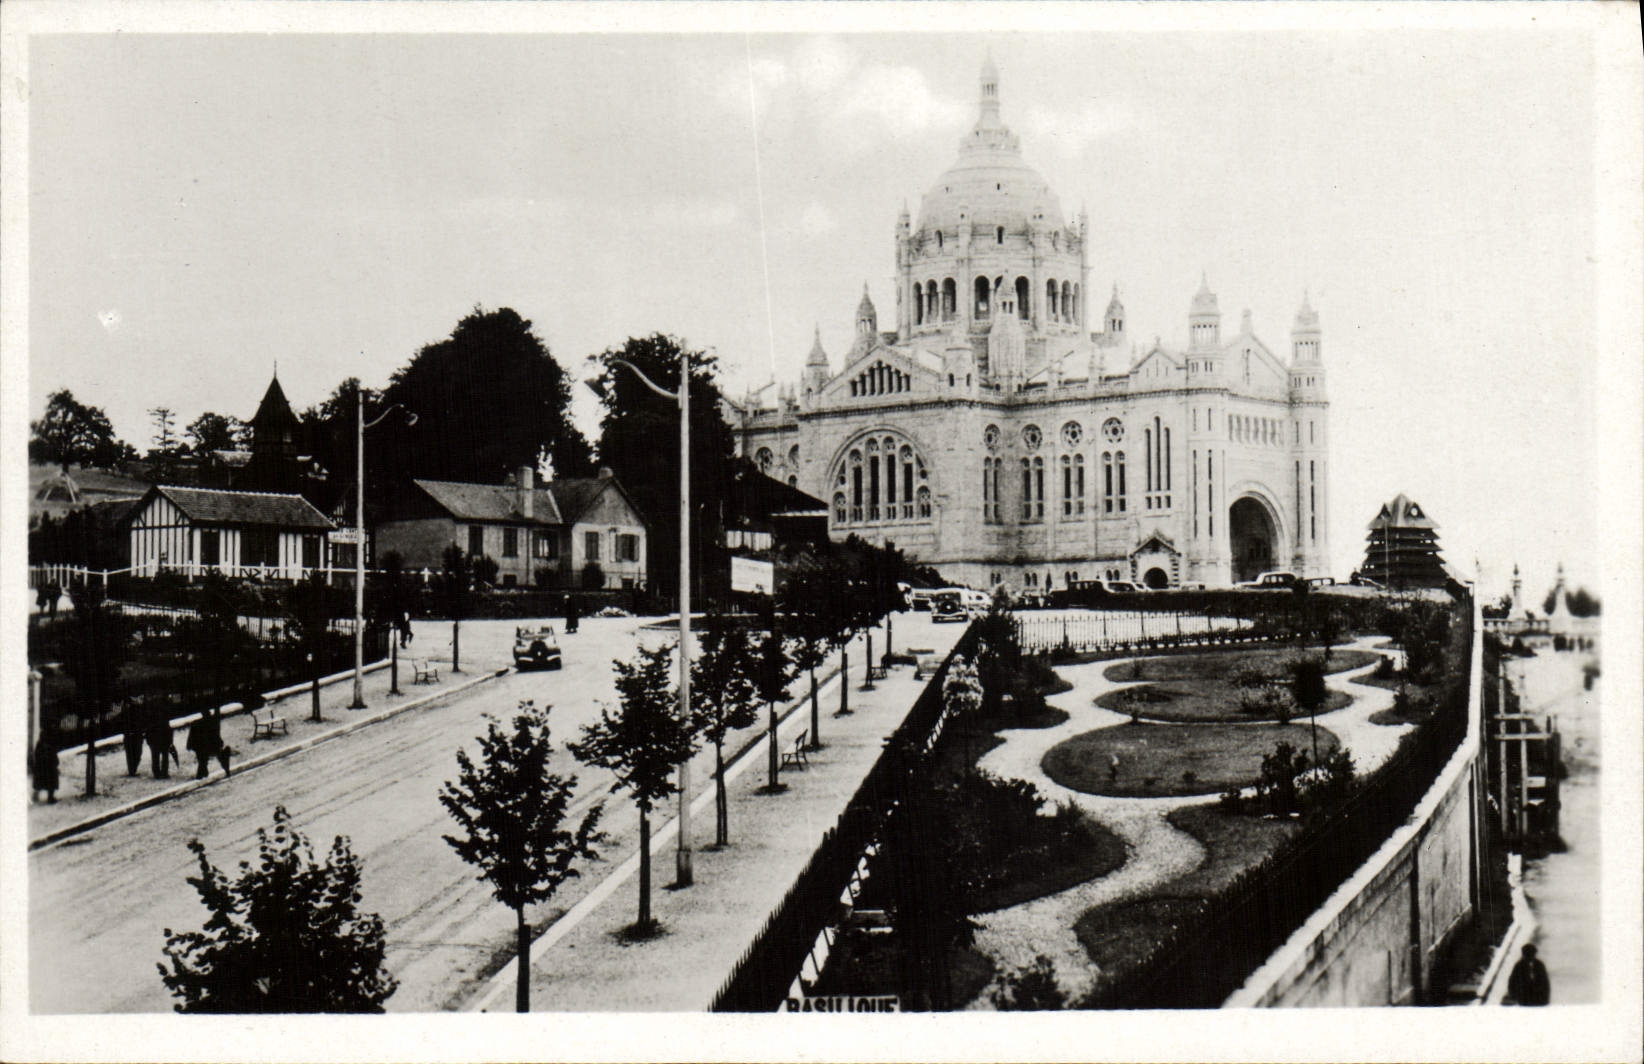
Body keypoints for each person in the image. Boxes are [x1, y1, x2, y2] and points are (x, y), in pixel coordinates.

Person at [186, 713, 224, 780]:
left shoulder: (202, 721)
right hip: (200, 741)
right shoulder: (207, 720)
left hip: (201, 742)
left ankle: (202, 775)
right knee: (202, 759)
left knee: (202, 759)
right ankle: (202, 774)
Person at [121, 697, 146, 776]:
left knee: (137, 753)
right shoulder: (125, 713)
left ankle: (133, 769)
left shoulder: (136, 710)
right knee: (131, 754)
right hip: (129, 736)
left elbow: (140, 721)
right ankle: (132, 771)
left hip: (137, 735)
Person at [33, 732, 60, 803]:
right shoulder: (50, 746)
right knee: (51, 781)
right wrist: (56, 762)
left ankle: (35, 795)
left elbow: (37, 755)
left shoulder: (39, 745)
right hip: (49, 768)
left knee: (40, 781)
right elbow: (54, 756)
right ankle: (50, 797)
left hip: (41, 767)